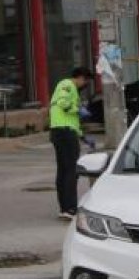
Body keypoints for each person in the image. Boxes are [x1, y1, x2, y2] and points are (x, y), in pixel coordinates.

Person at [49, 67, 93, 220]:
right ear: (80, 77)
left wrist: (82, 136)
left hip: (62, 132)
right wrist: (78, 109)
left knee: (63, 171)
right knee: (70, 171)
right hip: (65, 133)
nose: (85, 84)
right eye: (86, 81)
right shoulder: (67, 84)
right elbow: (62, 103)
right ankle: (70, 209)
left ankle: (65, 208)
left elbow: (69, 119)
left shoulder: (67, 86)